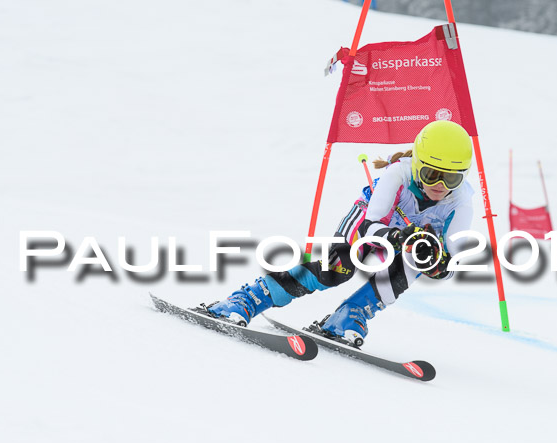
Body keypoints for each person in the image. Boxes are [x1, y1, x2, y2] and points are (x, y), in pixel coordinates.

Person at [195, 120, 474, 347]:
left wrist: (434, 261)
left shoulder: (461, 202)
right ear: (417, 165)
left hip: (405, 240)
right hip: (368, 222)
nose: (439, 185)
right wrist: (399, 238)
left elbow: (450, 265)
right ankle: (248, 298)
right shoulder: (398, 174)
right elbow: (371, 225)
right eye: (430, 174)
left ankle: (348, 316)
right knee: (336, 270)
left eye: (451, 178)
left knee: (410, 267)